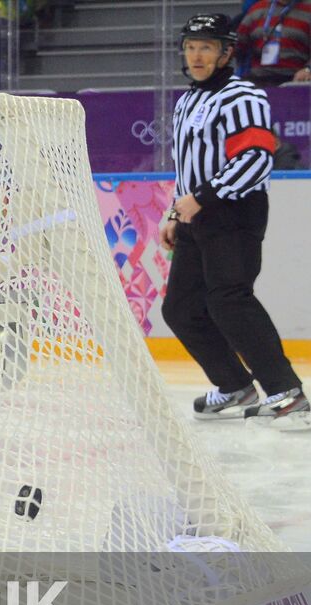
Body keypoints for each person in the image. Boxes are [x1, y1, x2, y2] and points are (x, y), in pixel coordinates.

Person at [159, 14, 306, 425]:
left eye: (206, 47)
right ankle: (235, 387)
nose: (196, 55)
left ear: (226, 52)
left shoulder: (243, 96)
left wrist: (201, 198)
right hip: (195, 215)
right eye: (191, 47)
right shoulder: (187, 100)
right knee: (182, 309)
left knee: (229, 300)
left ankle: (287, 393)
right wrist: (176, 210)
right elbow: (187, 166)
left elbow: (256, 159)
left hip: (233, 213)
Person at [234, 0, 311, 87]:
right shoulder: (258, 8)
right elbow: (238, 44)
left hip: (294, 79)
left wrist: (308, 69)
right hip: (258, 76)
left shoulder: (308, 9)